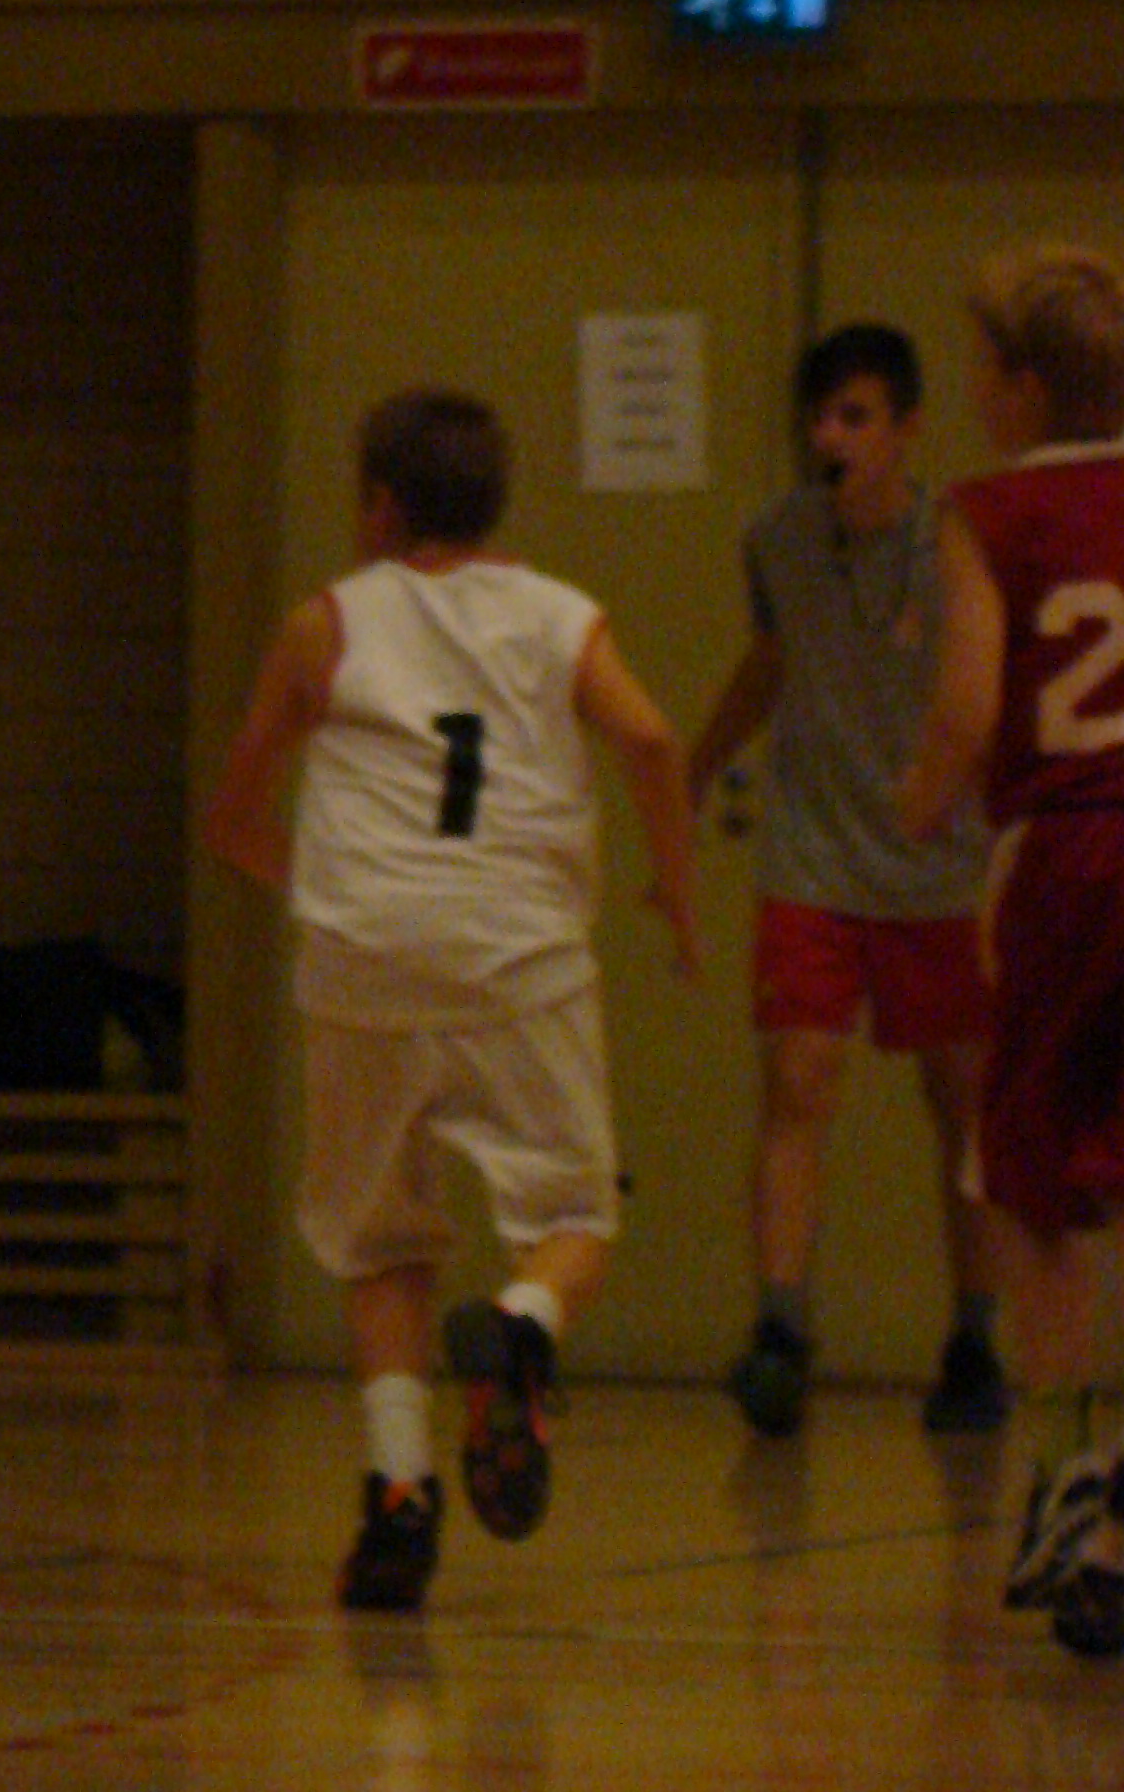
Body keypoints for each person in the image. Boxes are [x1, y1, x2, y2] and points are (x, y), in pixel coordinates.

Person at [204, 389, 699, 1616]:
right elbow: (651, 743)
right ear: (495, 502)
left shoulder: (325, 624)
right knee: (573, 1214)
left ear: (378, 507)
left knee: (381, 1244)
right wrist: (675, 892)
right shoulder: (561, 616)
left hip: (362, 959)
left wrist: (341, 893)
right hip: (515, 955)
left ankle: (398, 1496)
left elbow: (234, 820)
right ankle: (523, 1327)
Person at [687, 324, 1003, 1438]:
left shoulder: (957, 545)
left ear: (906, 428)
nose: (832, 437)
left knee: (961, 1104)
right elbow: (771, 661)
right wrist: (695, 766)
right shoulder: (775, 539)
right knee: (799, 1077)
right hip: (813, 857)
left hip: (942, 865)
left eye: (855, 416)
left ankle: (974, 1342)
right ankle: (780, 1333)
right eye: (819, 418)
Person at [893, 243, 1124, 1662]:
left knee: (1038, 1188)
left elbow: (970, 707)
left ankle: (1073, 1473)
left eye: (980, 368)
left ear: (1023, 387)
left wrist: (919, 806)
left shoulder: (987, 512)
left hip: (1072, 856)